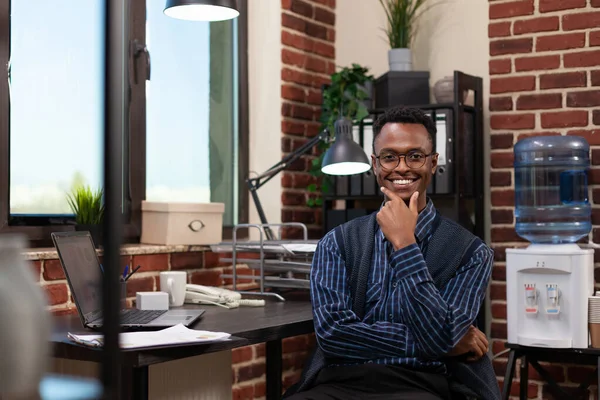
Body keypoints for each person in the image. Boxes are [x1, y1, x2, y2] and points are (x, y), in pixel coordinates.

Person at [285, 106, 496, 400]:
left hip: (424, 384)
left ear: (433, 163)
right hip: (341, 381)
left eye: (415, 156)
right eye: (389, 157)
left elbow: (441, 335)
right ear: (375, 164)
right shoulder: (337, 243)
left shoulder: (472, 253)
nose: (401, 168)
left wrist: (405, 244)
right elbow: (334, 334)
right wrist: (442, 342)